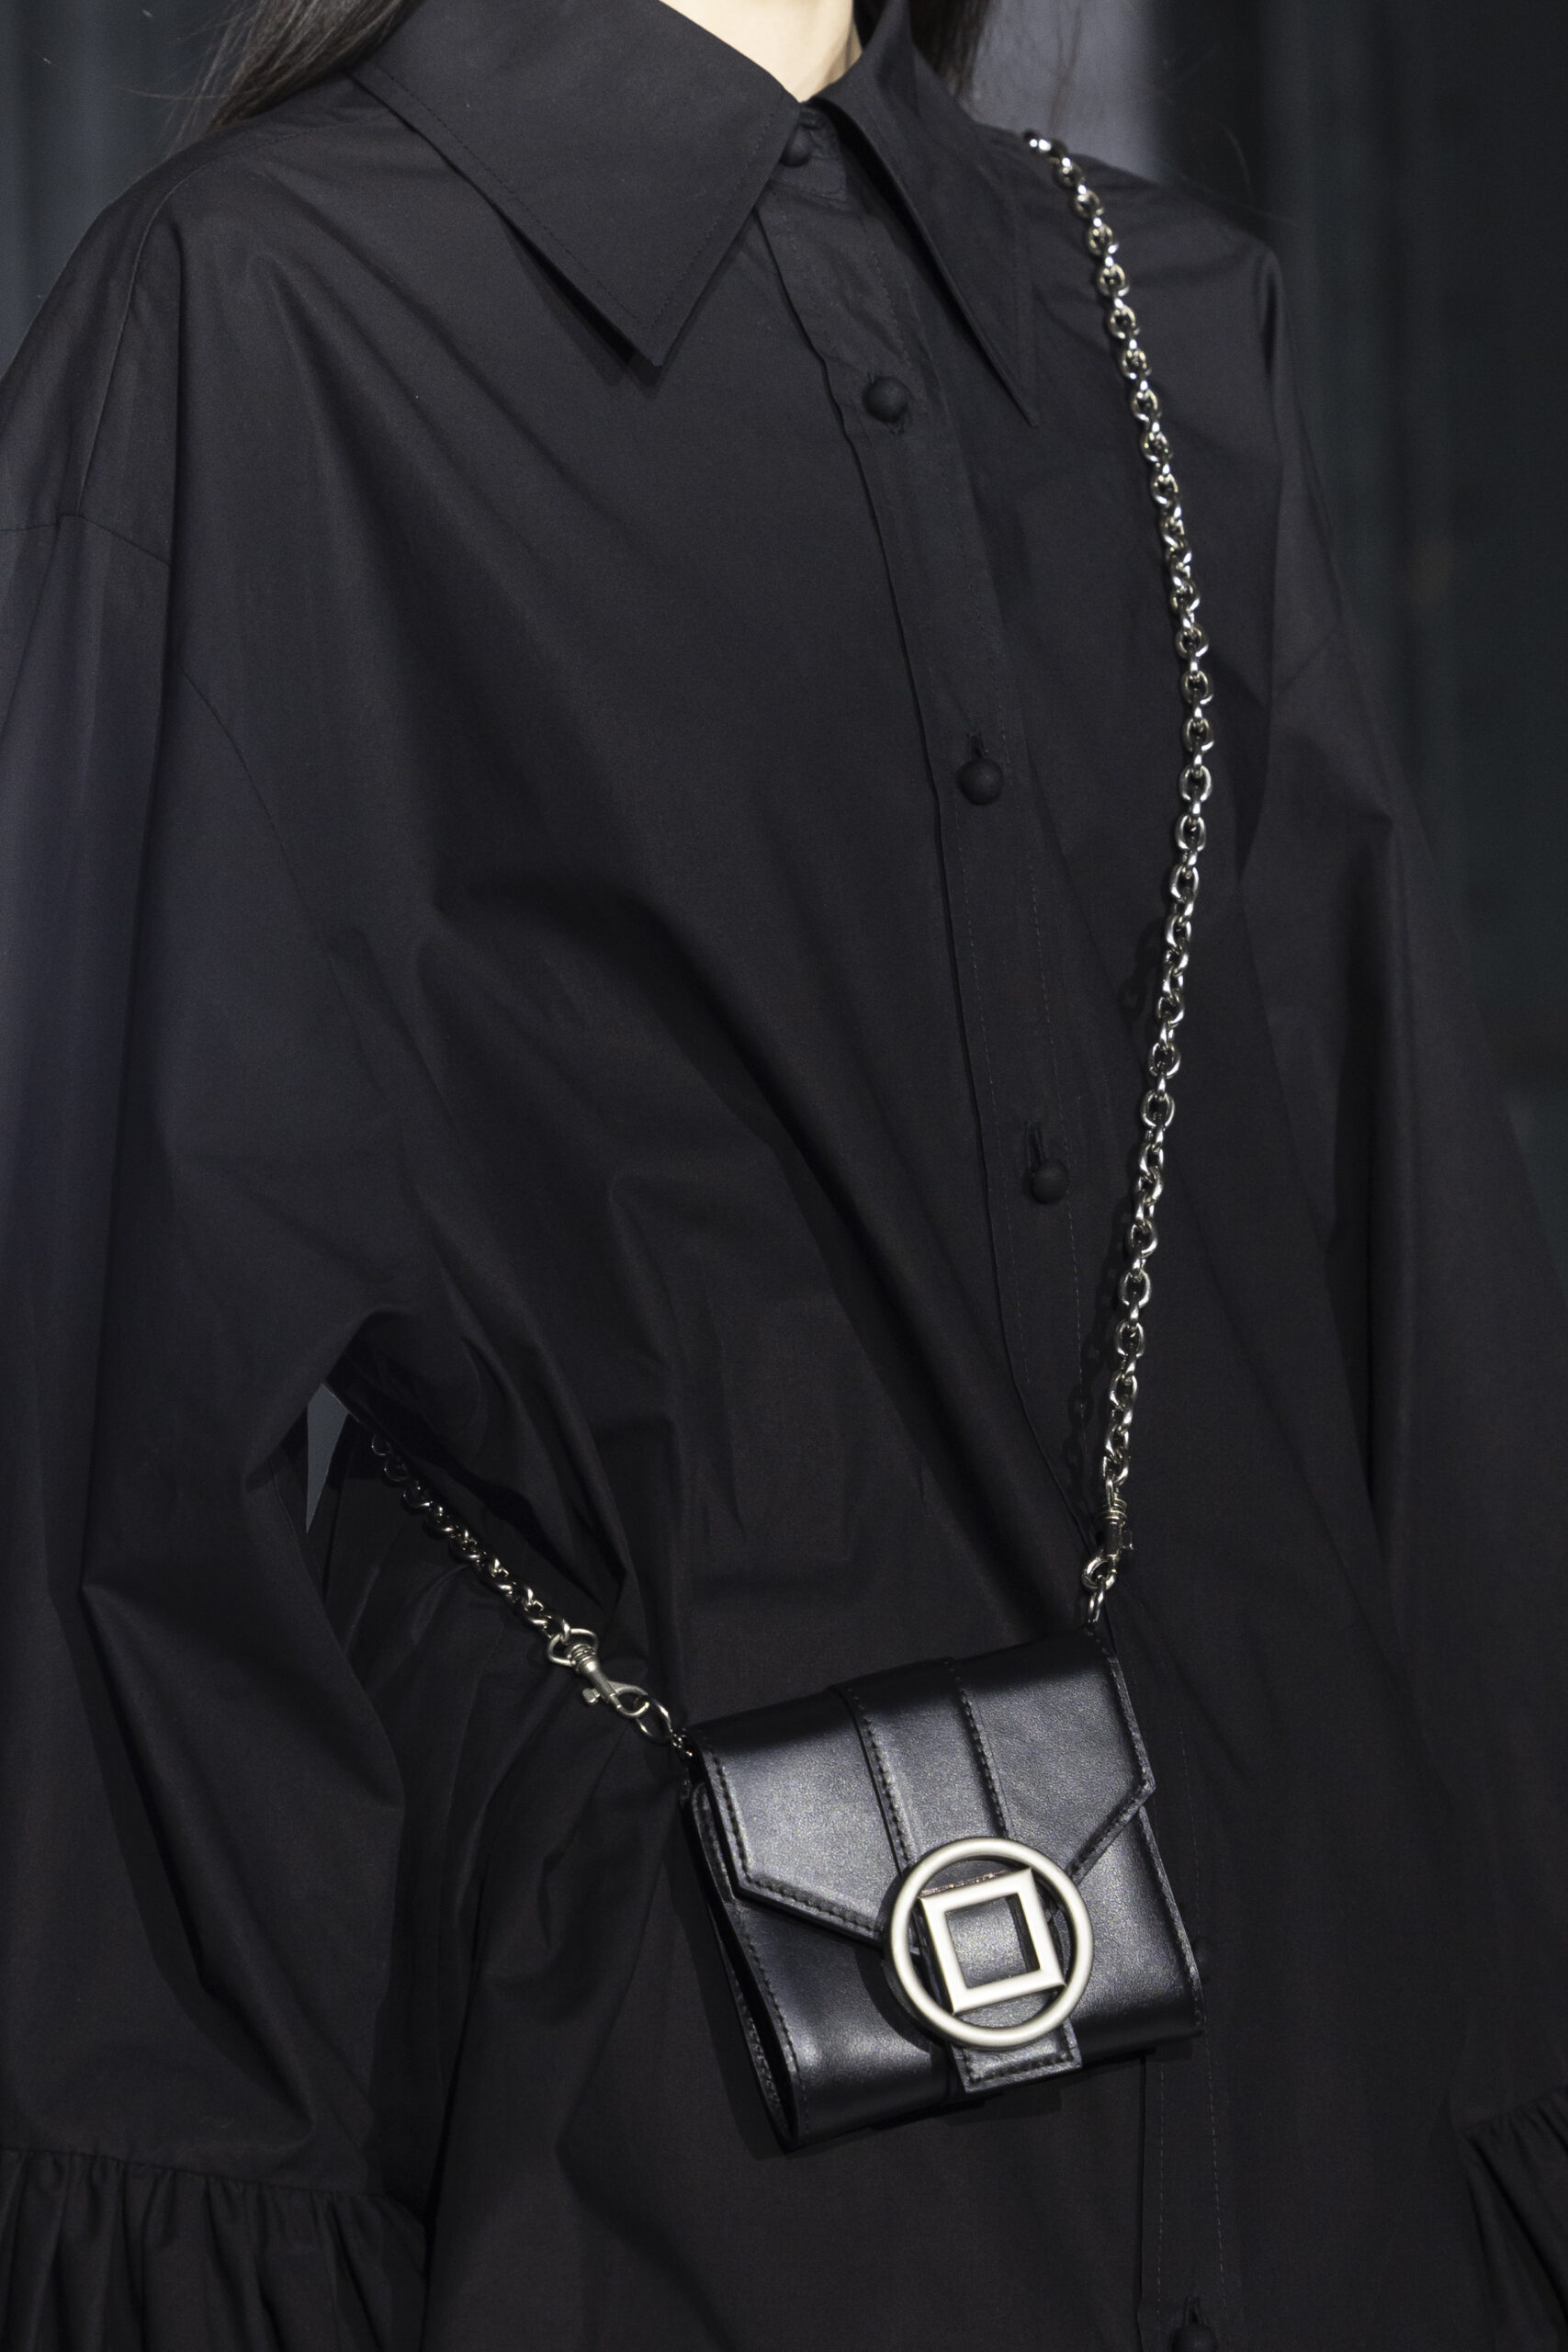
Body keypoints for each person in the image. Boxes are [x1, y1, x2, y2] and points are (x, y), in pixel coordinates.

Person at [1, 0, 1566, 2335]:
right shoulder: (251, 320)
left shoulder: (1160, 322)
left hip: (1319, 2105)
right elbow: (99, 1441)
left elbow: (1403, 1293)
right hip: (651, 2130)